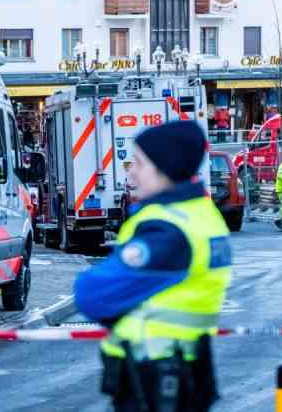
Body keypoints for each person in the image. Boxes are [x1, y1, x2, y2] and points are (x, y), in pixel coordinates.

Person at [75, 121, 232, 412]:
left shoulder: (166, 229)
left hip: (155, 381)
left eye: (139, 162)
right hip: (184, 371)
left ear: (164, 168)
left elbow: (92, 294)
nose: (131, 170)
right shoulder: (201, 214)